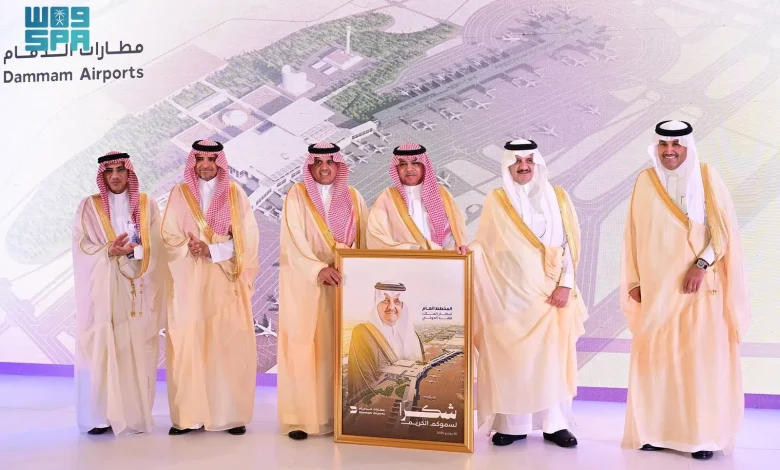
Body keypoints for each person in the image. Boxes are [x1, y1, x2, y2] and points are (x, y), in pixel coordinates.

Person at [621, 121, 750, 460]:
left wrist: (702, 264)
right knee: (657, 361)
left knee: (698, 363)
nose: (669, 151)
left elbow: (723, 232)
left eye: (676, 144)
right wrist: (634, 281)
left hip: (698, 291)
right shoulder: (644, 181)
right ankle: (654, 432)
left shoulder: (707, 177)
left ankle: (701, 438)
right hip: (657, 292)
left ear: (688, 146)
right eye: (663, 144)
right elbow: (633, 234)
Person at [470, 139, 588, 448]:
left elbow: (570, 244)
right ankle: (513, 424)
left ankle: (555, 424)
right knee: (514, 360)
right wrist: (467, 252)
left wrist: (566, 284)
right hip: (510, 297)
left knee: (550, 360)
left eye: (529, 161)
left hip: (550, 295)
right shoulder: (497, 200)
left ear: (538, 164)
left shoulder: (559, 197)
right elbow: (484, 244)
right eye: (517, 161)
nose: (524, 166)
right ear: (507, 166)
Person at [161, 139, 259, 436]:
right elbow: (168, 237)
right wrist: (189, 248)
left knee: (227, 345)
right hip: (189, 283)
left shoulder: (235, 194)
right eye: (200, 159)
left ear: (220, 163)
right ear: (193, 162)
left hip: (224, 282)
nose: (205, 165)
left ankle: (229, 415)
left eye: (212, 159)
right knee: (189, 346)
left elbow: (248, 239)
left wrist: (212, 250)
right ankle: (189, 416)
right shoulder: (179, 193)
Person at [277, 142, 369, 441]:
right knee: (306, 347)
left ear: (338, 165)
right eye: (318, 162)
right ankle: (303, 419)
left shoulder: (353, 197)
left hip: (344, 285)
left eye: (330, 162)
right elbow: (293, 240)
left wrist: (352, 265)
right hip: (309, 287)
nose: (325, 167)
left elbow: (364, 239)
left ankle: (341, 416)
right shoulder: (297, 195)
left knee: (342, 350)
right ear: (310, 166)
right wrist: (318, 269)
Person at [72, 151, 168, 436]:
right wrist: (108, 251)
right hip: (103, 290)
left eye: (120, 170)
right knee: (103, 349)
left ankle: (134, 416)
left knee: (136, 349)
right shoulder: (89, 206)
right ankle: (102, 416)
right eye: (109, 171)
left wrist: (134, 252)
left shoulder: (147, 205)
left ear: (129, 173)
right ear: (102, 175)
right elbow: (81, 245)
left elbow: (158, 245)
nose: (115, 176)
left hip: (138, 286)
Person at [366, 143, 467, 253]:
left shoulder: (441, 193)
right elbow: (375, 235)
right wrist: (411, 249)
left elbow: (456, 226)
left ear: (424, 166)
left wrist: (458, 244)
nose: (409, 169)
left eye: (415, 163)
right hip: (404, 259)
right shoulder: (386, 198)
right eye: (403, 164)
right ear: (397, 168)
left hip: (441, 258)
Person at [346, 282, 425, 401]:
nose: (391, 307)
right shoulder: (362, 333)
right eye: (385, 300)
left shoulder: (414, 337)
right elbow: (364, 384)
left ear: (403, 305)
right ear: (376, 304)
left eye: (397, 301)